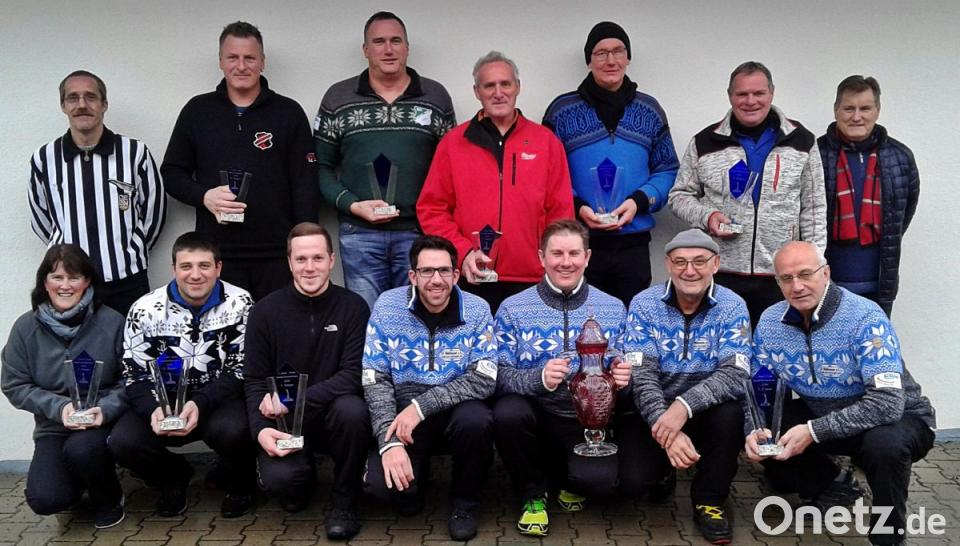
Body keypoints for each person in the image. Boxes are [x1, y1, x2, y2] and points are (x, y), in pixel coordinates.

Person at [745, 241, 936, 546]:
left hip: (900, 418)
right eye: (787, 278)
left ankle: (888, 537)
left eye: (805, 274)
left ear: (826, 273)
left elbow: (887, 404)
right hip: (826, 416)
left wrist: (813, 431)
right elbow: (759, 388)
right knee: (765, 433)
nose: (797, 286)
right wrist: (754, 428)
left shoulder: (865, 317)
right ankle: (834, 485)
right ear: (778, 282)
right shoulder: (770, 322)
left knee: (884, 447)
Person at [162, 21, 318, 301]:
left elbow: (305, 184)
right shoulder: (197, 111)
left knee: (275, 327)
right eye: (233, 57)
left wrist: (304, 249)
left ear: (262, 62)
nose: (241, 66)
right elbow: (172, 173)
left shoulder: (288, 112)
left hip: (275, 255)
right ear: (221, 61)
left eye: (250, 58)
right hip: (216, 255)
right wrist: (204, 196)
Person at [109, 232, 257, 518]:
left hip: (216, 402)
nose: (195, 275)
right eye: (186, 266)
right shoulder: (144, 309)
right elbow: (134, 374)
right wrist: (153, 410)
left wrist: (199, 403)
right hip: (162, 403)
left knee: (235, 430)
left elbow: (241, 368)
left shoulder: (241, 302)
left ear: (218, 268)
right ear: (174, 268)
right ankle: (171, 479)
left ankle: (240, 486)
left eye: (204, 265)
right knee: (123, 442)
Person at [493, 219, 627, 537]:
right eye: (557, 254)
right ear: (541, 257)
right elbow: (496, 375)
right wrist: (539, 378)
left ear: (587, 257)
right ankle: (532, 493)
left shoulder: (613, 307)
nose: (566, 262)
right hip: (535, 418)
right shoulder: (512, 308)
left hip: (586, 425)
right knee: (507, 413)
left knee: (600, 483)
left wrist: (624, 377)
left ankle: (566, 478)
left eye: (574, 253)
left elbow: (627, 366)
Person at [314, 11, 456, 309]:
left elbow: (450, 170)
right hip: (359, 234)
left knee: (416, 317)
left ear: (407, 47)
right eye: (379, 42)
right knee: (366, 319)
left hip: (418, 233)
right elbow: (320, 168)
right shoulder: (338, 98)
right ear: (366, 49)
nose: (388, 49)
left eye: (396, 41)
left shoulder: (435, 97)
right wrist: (353, 205)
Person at [668, 61, 826, 326]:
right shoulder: (705, 142)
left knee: (776, 347)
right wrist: (708, 217)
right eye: (742, 94)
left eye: (759, 93)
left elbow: (814, 208)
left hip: (783, 275)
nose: (750, 101)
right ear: (730, 96)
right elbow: (678, 196)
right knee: (725, 346)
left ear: (771, 93)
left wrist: (813, 267)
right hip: (720, 271)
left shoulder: (802, 141)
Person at [619, 229, 751, 544]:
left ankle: (710, 499)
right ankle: (664, 471)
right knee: (632, 483)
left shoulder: (733, 305)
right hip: (655, 411)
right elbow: (642, 374)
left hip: (706, 411)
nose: (689, 270)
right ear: (668, 264)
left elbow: (735, 373)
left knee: (731, 413)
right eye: (680, 262)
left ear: (715, 264)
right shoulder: (644, 303)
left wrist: (684, 407)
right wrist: (667, 428)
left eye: (699, 261)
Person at [362, 235, 497, 541]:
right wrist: (388, 442)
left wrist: (422, 406)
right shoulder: (387, 306)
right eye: (426, 271)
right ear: (412, 276)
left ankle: (464, 503)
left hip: (456, 412)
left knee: (477, 420)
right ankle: (414, 483)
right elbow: (374, 377)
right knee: (389, 494)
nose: (436, 280)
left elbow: (485, 377)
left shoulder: (477, 309)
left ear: (456, 274)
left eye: (444, 270)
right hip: (405, 421)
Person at [417, 51, 574, 314]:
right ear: (477, 92)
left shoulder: (546, 142)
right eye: (489, 85)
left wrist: (552, 262)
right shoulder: (453, 144)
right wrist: (462, 252)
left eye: (506, 84)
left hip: (531, 279)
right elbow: (431, 209)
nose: (498, 93)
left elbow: (561, 212)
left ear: (518, 87)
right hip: (470, 276)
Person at [244, 223, 370, 539]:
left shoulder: (353, 307)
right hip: (285, 423)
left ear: (331, 260)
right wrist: (260, 429)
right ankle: (302, 476)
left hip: (333, 416)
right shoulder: (264, 311)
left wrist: (294, 399)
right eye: (301, 259)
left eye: (317, 258)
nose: (309, 267)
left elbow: (353, 375)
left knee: (353, 411)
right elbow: (254, 379)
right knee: (286, 486)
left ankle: (345, 502)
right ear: (289, 262)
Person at [542, 21, 679, 306]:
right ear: (588, 61)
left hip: (633, 244)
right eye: (601, 53)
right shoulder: (561, 111)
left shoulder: (650, 110)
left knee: (631, 319)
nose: (611, 60)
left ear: (628, 58)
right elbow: (545, 174)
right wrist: (577, 206)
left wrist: (639, 202)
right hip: (576, 243)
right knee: (579, 319)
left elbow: (667, 169)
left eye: (618, 51)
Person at [1, 245, 126, 528]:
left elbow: (129, 380)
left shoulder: (112, 322)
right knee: (46, 499)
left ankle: (108, 499)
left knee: (83, 450)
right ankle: (77, 485)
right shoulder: (25, 328)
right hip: (53, 426)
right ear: (44, 283)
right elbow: (14, 384)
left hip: (100, 422)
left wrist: (105, 409)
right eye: (57, 277)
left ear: (87, 281)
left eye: (74, 277)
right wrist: (60, 408)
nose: (65, 286)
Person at [28, 70, 166, 315]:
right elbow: (42, 221)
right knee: (73, 343)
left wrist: (127, 251)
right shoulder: (44, 158)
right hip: (69, 284)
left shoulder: (135, 153)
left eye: (90, 97)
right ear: (63, 105)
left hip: (126, 282)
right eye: (73, 98)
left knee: (129, 341)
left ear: (104, 104)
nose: (82, 104)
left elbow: (154, 214)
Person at [818, 76, 919, 317]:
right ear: (836, 110)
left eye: (865, 108)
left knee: (876, 342)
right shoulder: (815, 154)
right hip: (824, 285)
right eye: (848, 108)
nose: (857, 117)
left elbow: (903, 214)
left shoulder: (900, 157)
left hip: (879, 285)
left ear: (877, 111)